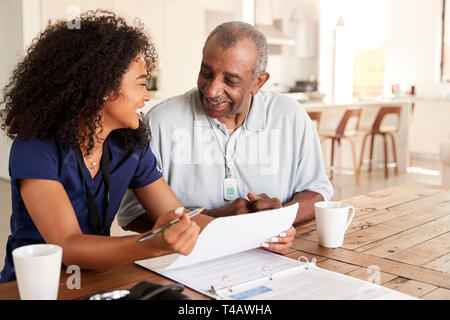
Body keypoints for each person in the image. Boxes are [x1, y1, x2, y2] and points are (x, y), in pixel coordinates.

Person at [0, 10, 203, 283]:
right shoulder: (35, 147)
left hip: (99, 280)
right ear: (105, 88)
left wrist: (261, 231)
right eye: (142, 84)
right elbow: (68, 246)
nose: (146, 95)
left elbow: (178, 216)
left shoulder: (131, 146)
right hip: (34, 287)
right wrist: (152, 244)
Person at [117, 21, 333, 254]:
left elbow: (318, 191)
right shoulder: (162, 121)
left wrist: (277, 220)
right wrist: (215, 221)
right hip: (185, 263)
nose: (212, 90)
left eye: (230, 80)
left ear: (259, 82)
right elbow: (133, 215)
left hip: (270, 260)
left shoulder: (291, 116)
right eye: (206, 73)